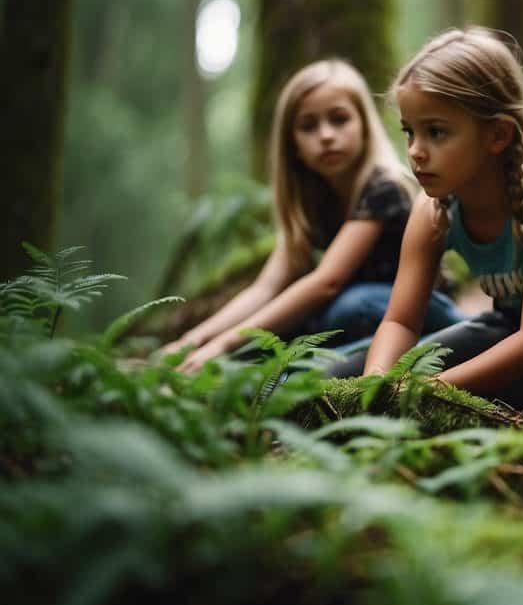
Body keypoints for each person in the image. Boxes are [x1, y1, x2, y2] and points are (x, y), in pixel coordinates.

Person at [352, 28, 523, 413]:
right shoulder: (432, 209)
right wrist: (375, 383)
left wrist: (431, 389)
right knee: (355, 370)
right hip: (506, 329)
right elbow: (400, 322)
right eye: (410, 132)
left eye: (436, 132)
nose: (415, 152)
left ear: (497, 135)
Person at [161, 59, 464, 372]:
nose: (326, 135)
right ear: (292, 144)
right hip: (358, 318)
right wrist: (194, 340)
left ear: (364, 123)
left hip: (418, 313)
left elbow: (326, 282)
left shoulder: (383, 187)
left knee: (346, 306)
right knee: (292, 328)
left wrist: (224, 343)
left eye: (339, 119)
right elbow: (265, 288)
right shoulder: (309, 202)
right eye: (309, 126)